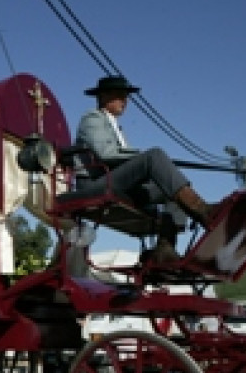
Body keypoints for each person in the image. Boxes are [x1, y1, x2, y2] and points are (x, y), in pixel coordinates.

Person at [74, 75, 219, 264]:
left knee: (169, 187)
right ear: (103, 97)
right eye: (119, 95)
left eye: (126, 97)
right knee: (155, 155)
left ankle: (166, 248)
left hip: (115, 181)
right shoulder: (92, 119)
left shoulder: (116, 126)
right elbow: (106, 154)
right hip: (95, 183)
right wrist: (144, 159)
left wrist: (149, 165)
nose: (124, 101)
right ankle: (203, 211)